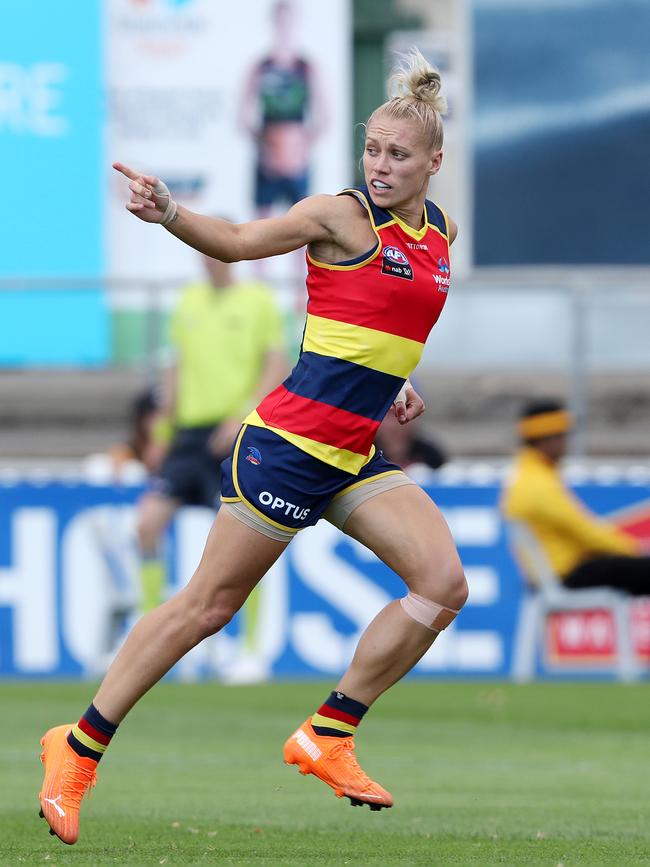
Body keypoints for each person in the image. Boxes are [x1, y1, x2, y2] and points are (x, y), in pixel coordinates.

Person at [38, 49, 468, 846]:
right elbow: (235, 241)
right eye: (372, 148)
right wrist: (171, 211)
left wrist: (394, 381)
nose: (379, 164)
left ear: (434, 163)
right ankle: (79, 743)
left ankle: (329, 733)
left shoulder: (441, 229)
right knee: (207, 607)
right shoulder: (340, 215)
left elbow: (388, 321)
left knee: (442, 585)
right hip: (290, 443)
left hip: (353, 448)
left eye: (398, 153)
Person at [135, 254, 287, 614]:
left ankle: (251, 649)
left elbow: (276, 365)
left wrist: (243, 415)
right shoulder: (189, 301)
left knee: (243, 543)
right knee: (146, 525)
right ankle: (147, 625)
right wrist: (161, 431)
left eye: (213, 251)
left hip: (235, 435)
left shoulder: (258, 300)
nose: (207, 259)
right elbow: (174, 369)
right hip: (189, 435)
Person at [501, 399, 650, 593]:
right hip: (566, 573)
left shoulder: (527, 476)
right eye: (562, 436)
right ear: (547, 439)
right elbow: (585, 531)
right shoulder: (538, 484)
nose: (566, 443)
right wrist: (634, 550)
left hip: (558, 572)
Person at [238, 0, 327, 221]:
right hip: (267, 160)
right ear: (273, 22)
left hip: (297, 161)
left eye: (288, 21)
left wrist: (301, 148)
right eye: (280, 21)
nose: (284, 26)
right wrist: (265, 148)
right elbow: (242, 115)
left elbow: (325, 117)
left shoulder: (306, 67)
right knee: (260, 228)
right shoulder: (260, 67)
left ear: (295, 23)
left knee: (299, 227)